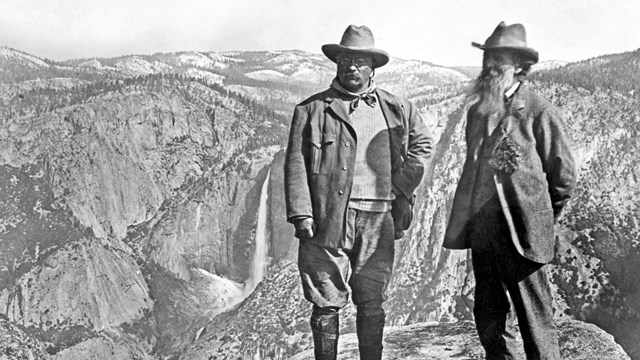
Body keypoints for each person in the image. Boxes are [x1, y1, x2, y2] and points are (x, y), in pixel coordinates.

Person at [284, 25, 434, 360]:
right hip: (326, 220)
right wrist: (301, 213)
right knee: (325, 299)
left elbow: (424, 147)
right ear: (337, 62)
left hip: (379, 221)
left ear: (373, 67)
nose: (352, 66)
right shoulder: (311, 110)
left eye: (360, 60)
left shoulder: (397, 108)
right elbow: (296, 162)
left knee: (371, 299)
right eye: (346, 59)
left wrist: (399, 187)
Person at [443, 22, 577, 359]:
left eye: (498, 58)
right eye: (488, 57)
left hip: (523, 235)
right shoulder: (477, 111)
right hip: (485, 233)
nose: (490, 64)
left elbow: (564, 176)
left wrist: (540, 217)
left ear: (520, 65)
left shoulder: (538, 110)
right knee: (489, 318)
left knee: (536, 321)